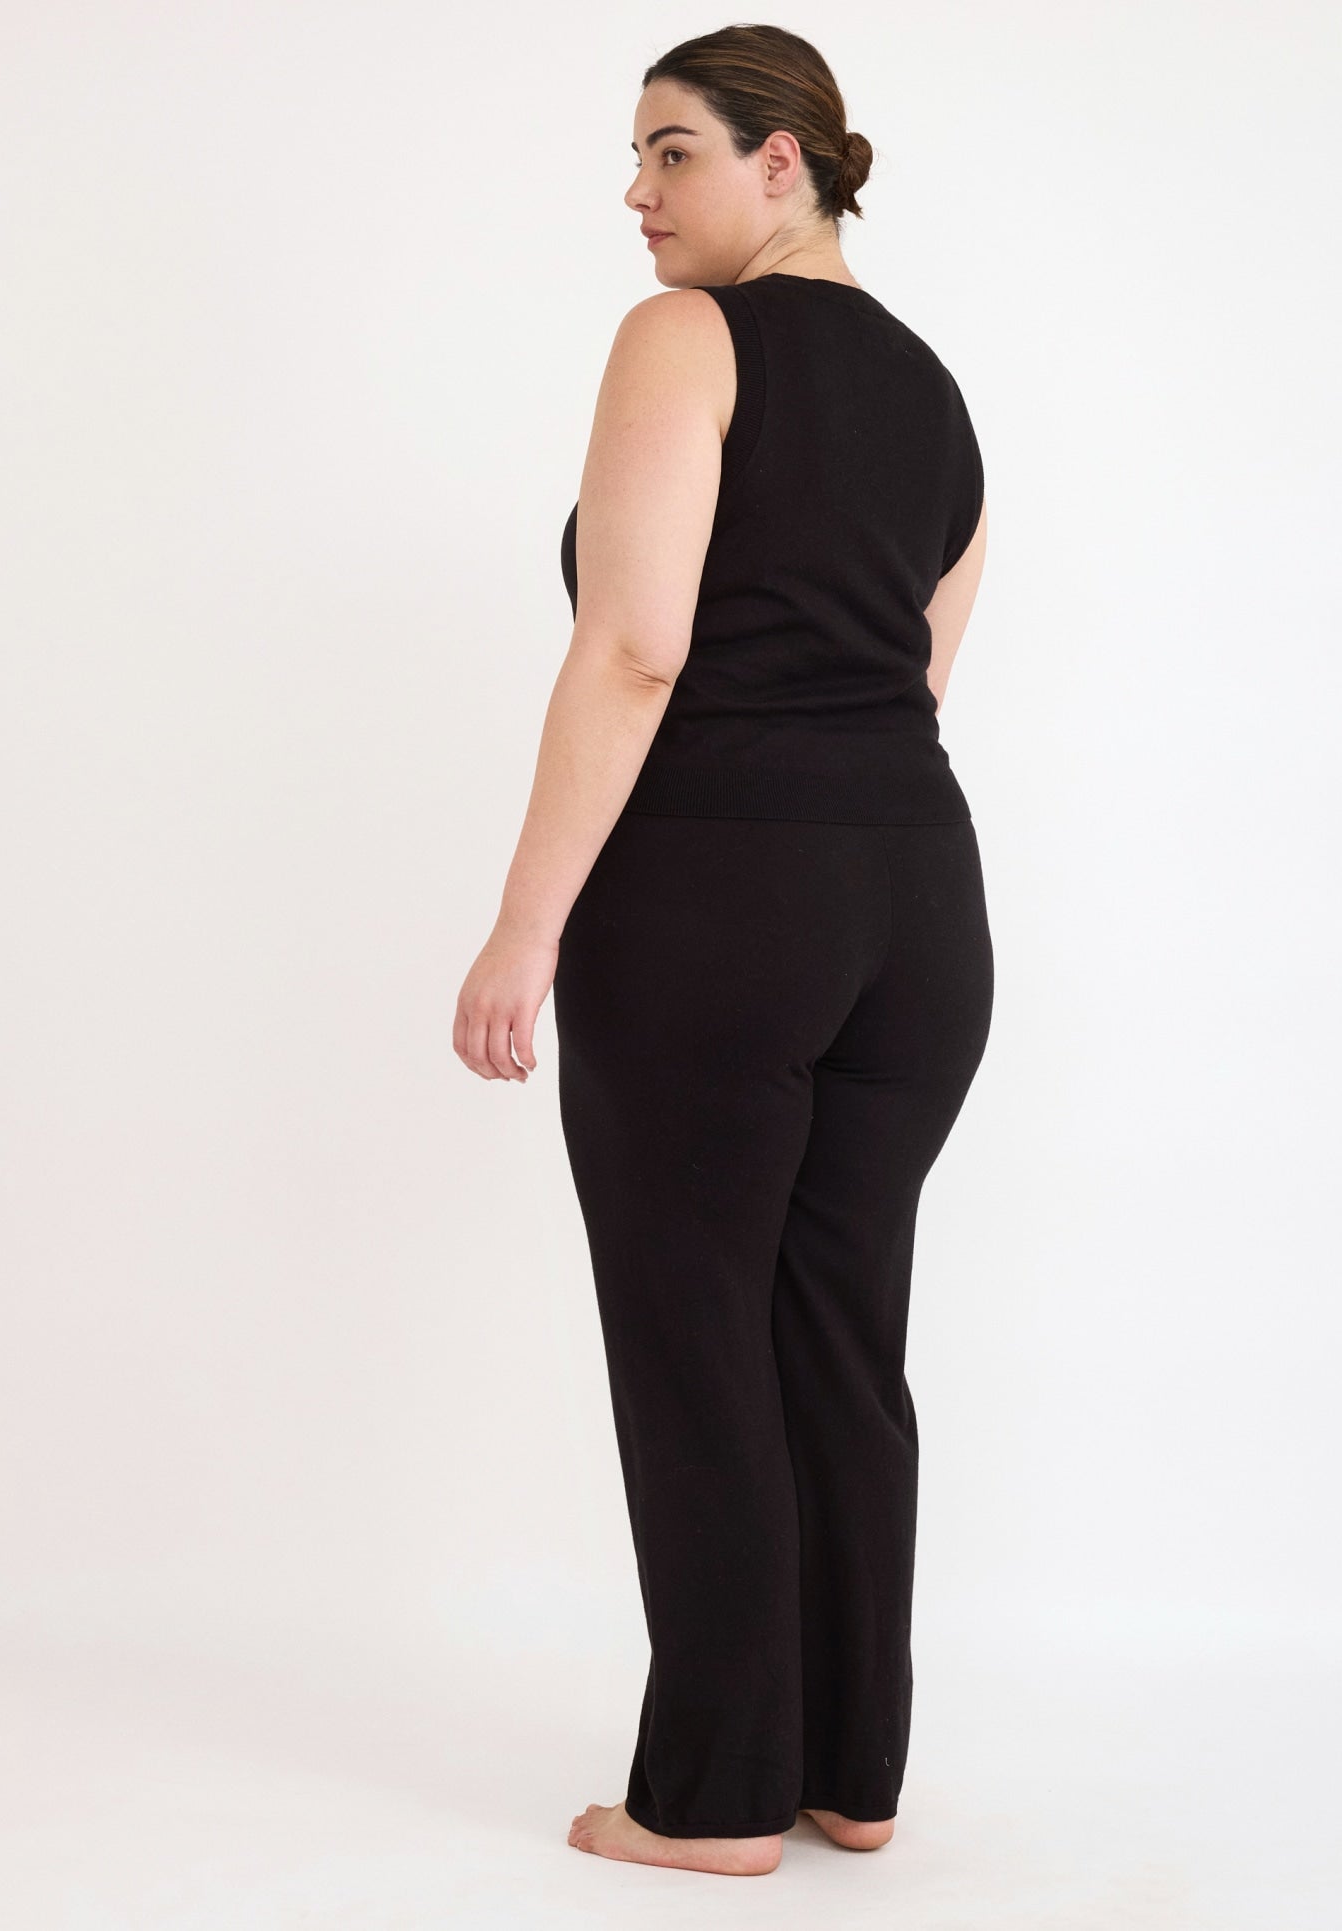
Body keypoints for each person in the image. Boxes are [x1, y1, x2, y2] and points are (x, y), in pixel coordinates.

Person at [452, 24, 994, 1880]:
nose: (637, 193)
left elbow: (637, 646)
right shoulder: (939, 396)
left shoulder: (685, 339)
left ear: (787, 162)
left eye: (671, 151)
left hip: (714, 898)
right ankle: (852, 1771)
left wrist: (527, 926)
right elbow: (918, 677)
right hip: (920, 907)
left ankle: (714, 1798)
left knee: (696, 1334)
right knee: (838, 1330)